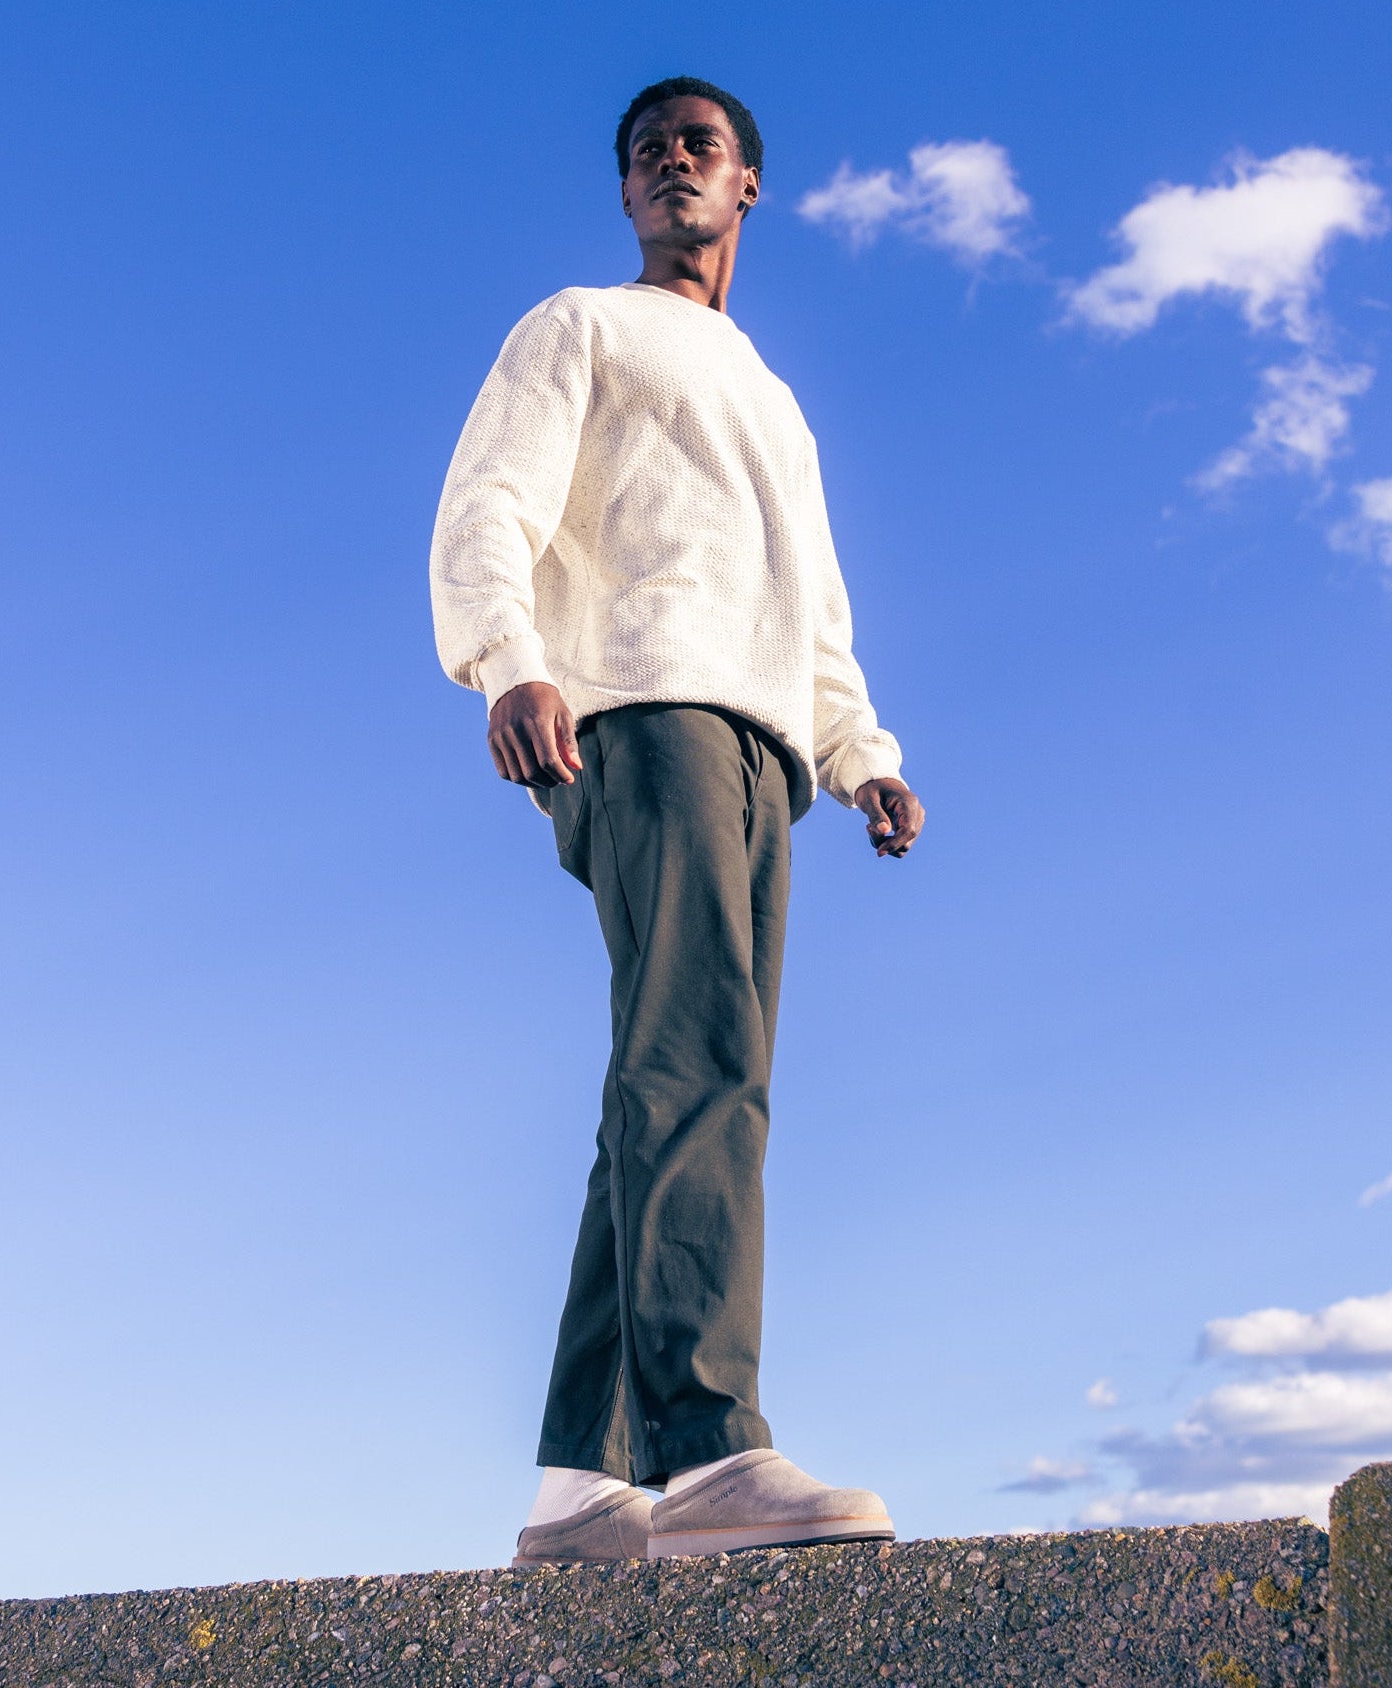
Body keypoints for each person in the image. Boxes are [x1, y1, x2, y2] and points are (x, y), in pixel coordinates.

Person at [429, 76, 928, 1567]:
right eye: (646, 152)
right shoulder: (581, 324)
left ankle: (584, 1484)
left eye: (696, 145)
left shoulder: (773, 401)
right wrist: (509, 658)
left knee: (665, 1081)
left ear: (747, 187)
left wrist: (859, 753)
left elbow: (813, 615)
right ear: (630, 195)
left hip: (766, 744)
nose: (668, 163)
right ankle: (712, 1452)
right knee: (705, 1059)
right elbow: (487, 503)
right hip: (641, 717)